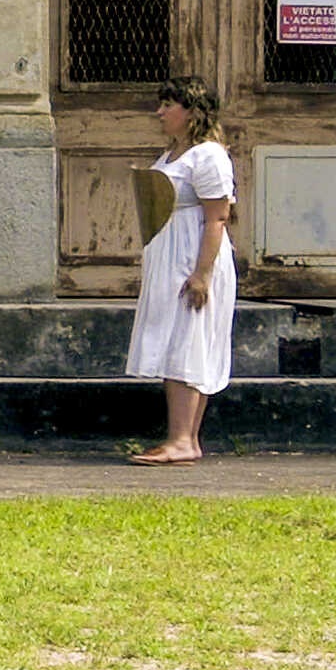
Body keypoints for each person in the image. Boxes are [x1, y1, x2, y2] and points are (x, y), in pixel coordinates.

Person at [125, 75, 239, 465]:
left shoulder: (208, 156)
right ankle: (183, 437)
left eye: (168, 105)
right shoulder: (174, 154)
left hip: (193, 257)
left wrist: (202, 273)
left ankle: (183, 439)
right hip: (172, 257)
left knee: (188, 341)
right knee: (178, 339)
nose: (159, 112)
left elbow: (217, 218)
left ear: (191, 112)